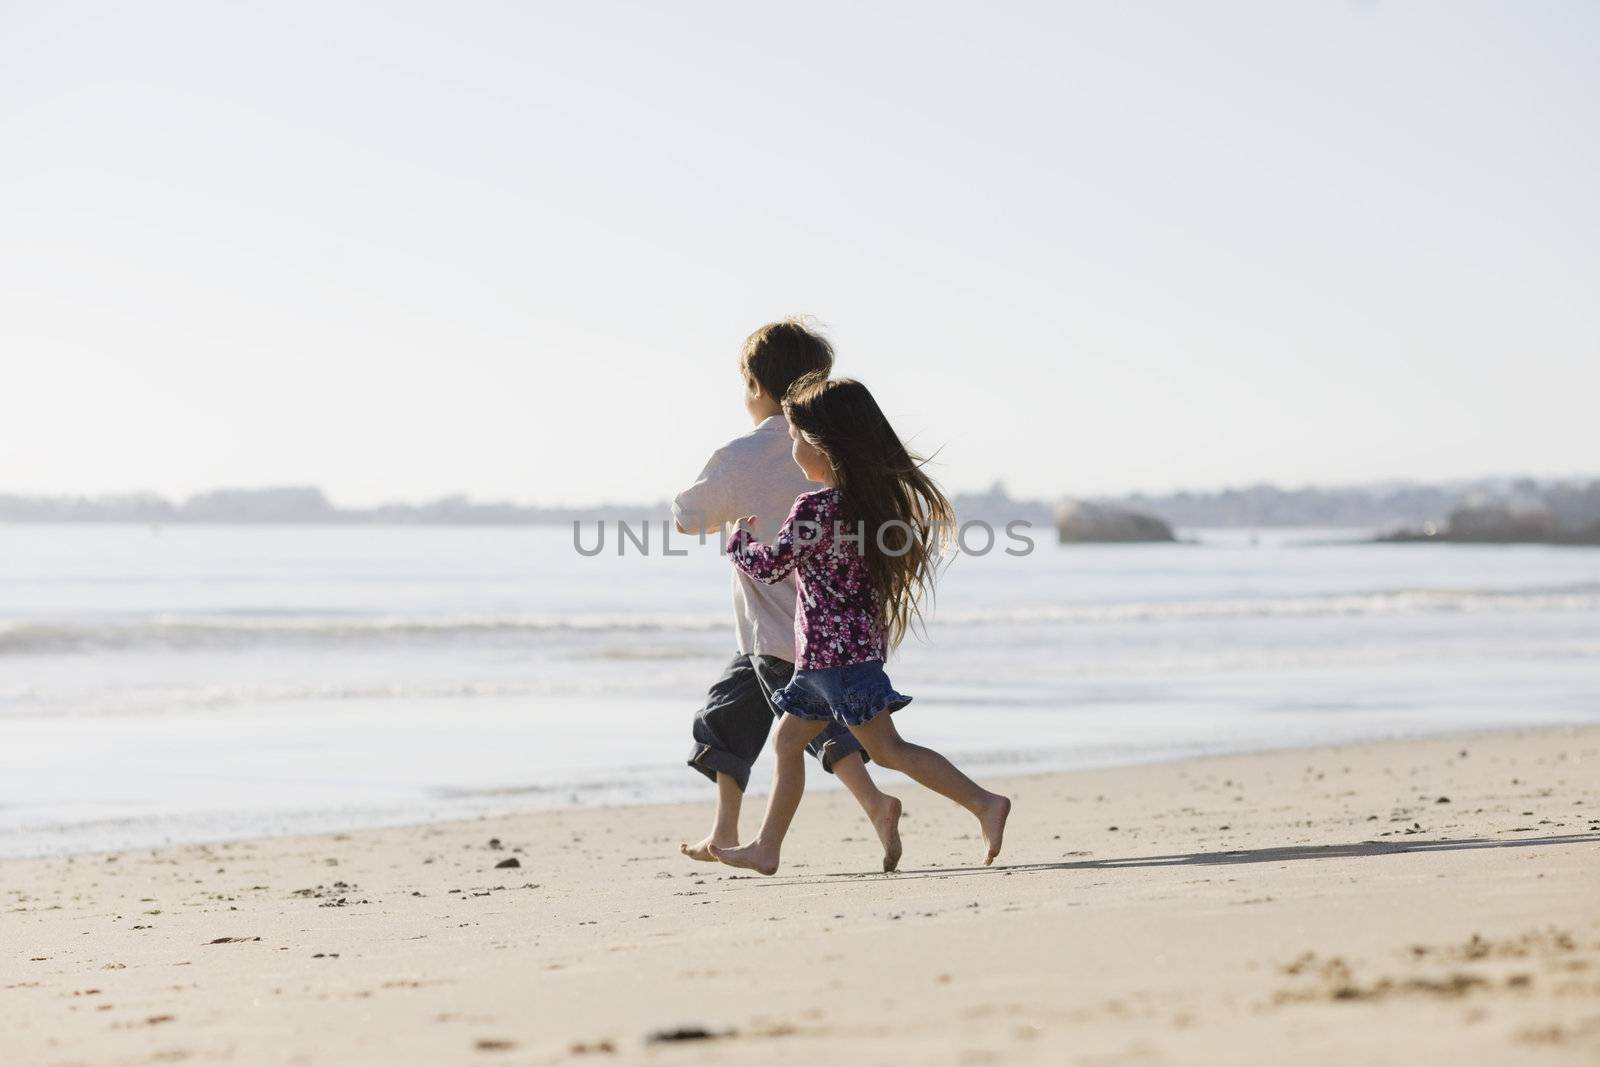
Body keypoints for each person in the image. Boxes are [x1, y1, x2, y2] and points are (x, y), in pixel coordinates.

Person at [710, 375, 1011, 876]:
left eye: (796, 440)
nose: (792, 449)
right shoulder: (872, 508)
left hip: (834, 663)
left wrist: (739, 540)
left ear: (823, 446)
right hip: (838, 656)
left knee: (887, 749)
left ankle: (984, 803)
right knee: (791, 741)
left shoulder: (816, 507)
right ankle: (766, 847)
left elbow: (772, 564)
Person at [673, 320, 904, 872]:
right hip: (815, 628)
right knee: (726, 717)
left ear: (755, 386)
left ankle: (876, 805)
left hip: (781, 633)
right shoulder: (840, 452)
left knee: (815, 730)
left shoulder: (745, 455)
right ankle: (723, 831)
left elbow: (688, 517)